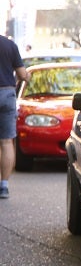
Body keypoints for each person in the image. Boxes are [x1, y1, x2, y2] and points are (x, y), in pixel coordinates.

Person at [0, 34, 29, 199]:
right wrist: (26, 78)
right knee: (6, 141)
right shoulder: (9, 45)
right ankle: (3, 186)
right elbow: (22, 74)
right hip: (6, 94)